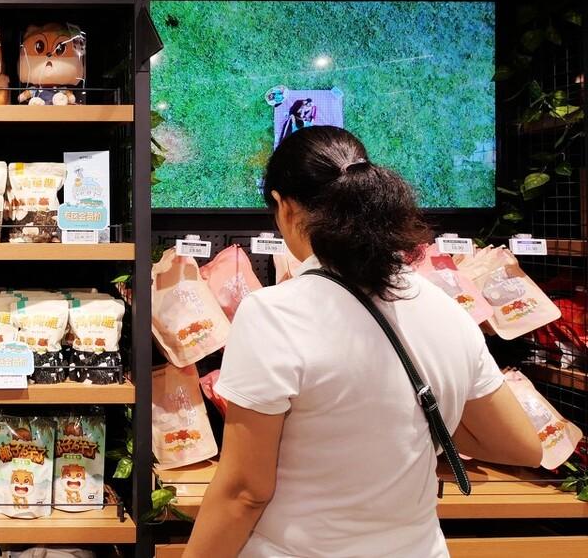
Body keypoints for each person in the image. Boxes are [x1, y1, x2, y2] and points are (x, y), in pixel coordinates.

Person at [183, 126, 542, 558]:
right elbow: (520, 445)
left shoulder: (275, 313)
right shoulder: (445, 308)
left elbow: (245, 492)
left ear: (285, 207)